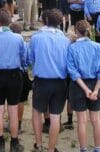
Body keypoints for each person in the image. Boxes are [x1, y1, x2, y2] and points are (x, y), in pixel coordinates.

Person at [28, 9, 70, 152]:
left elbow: (29, 59)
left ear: (46, 21)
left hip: (42, 81)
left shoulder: (36, 38)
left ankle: (39, 145)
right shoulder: (65, 40)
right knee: (55, 116)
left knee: (36, 112)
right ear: (60, 23)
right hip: (60, 82)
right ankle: (51, 149)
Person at [0, 8, 26, 152]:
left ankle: (0, 141)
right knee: (13, 109)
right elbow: (23, 58)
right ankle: (14, 142)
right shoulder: (18, 38)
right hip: (14, 75)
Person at [67, 20, 100, 152]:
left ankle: (83, 149)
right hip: (97, 83)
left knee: (81, 121)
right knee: (96, 120)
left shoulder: (72, 48)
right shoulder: (98, 47)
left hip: (79, 86)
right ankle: (98, 148)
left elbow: (73, 72)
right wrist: (95, 90)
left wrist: (85, 89)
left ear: (76, 32)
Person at [9, 22, 32, 134]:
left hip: (11, 72)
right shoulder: (25, 44)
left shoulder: (8, 44)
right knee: (21, 100)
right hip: (22, 72)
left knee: (11, 100)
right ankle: (18, 124)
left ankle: (11, 123)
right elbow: (28, 60)